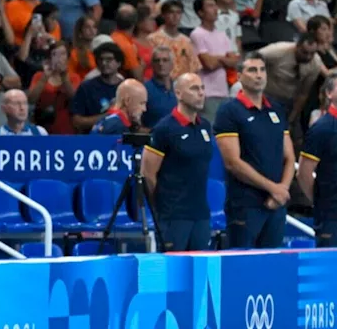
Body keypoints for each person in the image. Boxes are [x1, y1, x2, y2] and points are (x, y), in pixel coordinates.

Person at [215, 52, 294, 249]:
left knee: (273, 265)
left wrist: (282, 189)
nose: (259, 75)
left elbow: (290, 156)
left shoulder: (276, 109)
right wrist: (273, 188)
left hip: (276, 204)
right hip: (245, 204)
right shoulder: (229, 111)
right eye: (252, 70)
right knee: (242, 267)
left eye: (262, 70)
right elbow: (232, 162)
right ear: (239, 76)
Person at [142, 72, 215, 251]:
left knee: (200, 272)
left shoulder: (205, 126)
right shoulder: (164, 129)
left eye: (202, 88)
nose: (201, 93)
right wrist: (163, 206)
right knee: (173, 273)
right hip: (174, 216)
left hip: (201, 214)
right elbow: (147, 175)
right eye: (194, 88)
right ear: (178, 94)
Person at [299, 73, 337, 247]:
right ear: (329, 93)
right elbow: (304, 174)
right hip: (331, 215)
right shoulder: (321, 129)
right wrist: (320, 200)